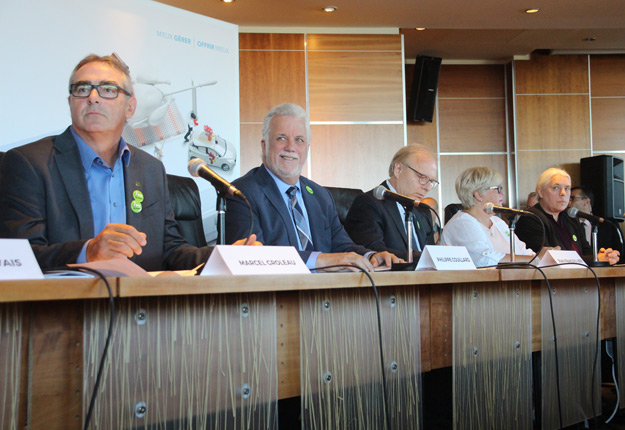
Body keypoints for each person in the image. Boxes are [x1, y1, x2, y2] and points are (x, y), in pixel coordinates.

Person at [0, 53, 256, 272]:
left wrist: (222, 257)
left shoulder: (150, 168)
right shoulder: (29, 163)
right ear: (70, 102)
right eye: (82, 89)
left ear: (130, 108)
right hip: (62, 317)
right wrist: (88, 251)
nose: (93, 97)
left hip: (140, 313)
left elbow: (170, 251)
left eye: (108, 89)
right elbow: (17, 260)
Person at [224, 103, 399, 272]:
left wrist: (371, 256)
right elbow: (252, 258)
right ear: (264, 145)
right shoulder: (242, 193)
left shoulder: (320, 195)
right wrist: (322, 260)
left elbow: (341, 245)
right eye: (281, 138)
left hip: (325, 295)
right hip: (275, 297)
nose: (290, 147)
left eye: (299, 140)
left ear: (307, 149)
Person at [344, 145, 437, 261]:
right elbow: (374, 252)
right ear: (398, 169)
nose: (427, 188)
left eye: (431, 182)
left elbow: (430, 257)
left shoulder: (423, 212)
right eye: (422, 177)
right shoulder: (368, 204)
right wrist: (424, 257)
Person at [515, 168, 619, 264]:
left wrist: (602, 257)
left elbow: (586, 251)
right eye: (556, 188)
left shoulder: (570, 217)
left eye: (567, 188)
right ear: (541, 192)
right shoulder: (531, 219)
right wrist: (594, 259)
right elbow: (550, 258)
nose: (563, 193)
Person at [440, 167, 535, 267]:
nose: (502, 193)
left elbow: (523, 252)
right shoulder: (462, 223)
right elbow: (485, 259)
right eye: (498, 189)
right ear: (478, 195)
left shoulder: (498, 222)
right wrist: (534, 260)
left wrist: (543, 257)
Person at [569, 186, 622, 256]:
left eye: (572, 198)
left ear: (586, 201)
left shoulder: (608, 225)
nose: (569, 203)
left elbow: (620, 252)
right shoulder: (568, 225)